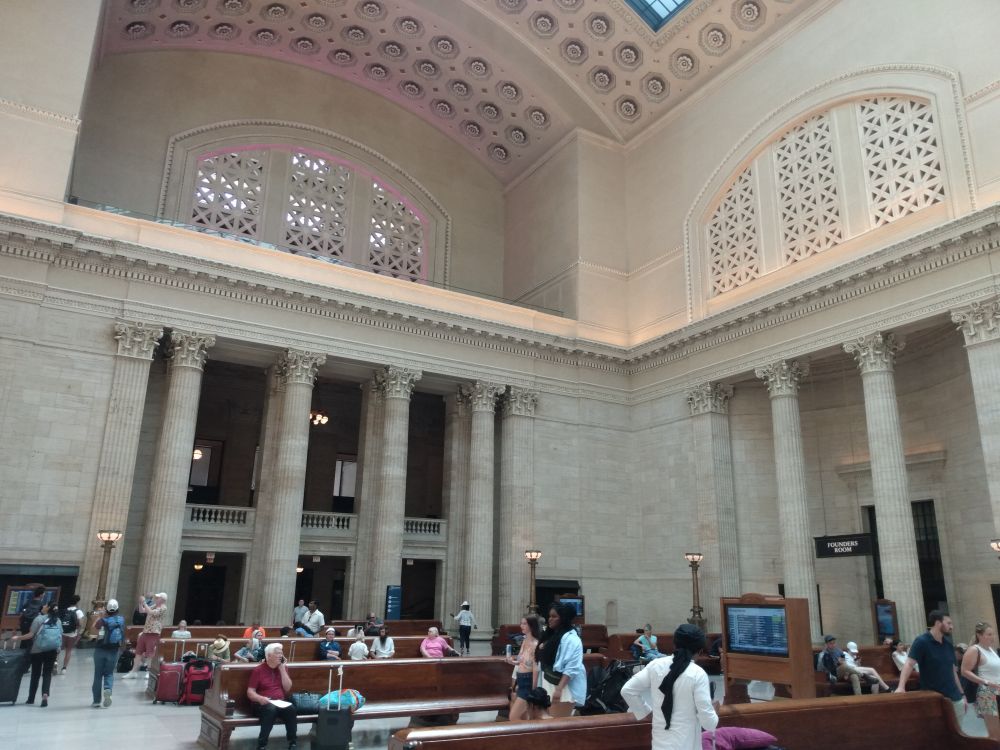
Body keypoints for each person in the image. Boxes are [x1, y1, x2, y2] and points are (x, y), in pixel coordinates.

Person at [621, 624, 719, 750]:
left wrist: (647, 712)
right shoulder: (697, 674)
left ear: (674, 645)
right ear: (699, 651)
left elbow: (627, 690)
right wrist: (714, 710)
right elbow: (709, 724)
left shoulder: (655, 665)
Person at [896, 609, 966, 721]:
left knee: (957, 733)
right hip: (933, 697)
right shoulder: (922, 641)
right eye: (948, 623)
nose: (951, 626)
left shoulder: (948, 644)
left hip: (954, 697)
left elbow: (952, 671)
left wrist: (962, 694)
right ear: (938, 623)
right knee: (937, 733)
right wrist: (901, 686)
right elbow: (909, 663)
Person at [536, 603, 586, 716]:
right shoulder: (551, 635)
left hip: (564, 686)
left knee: (556, 723)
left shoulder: (572, 639)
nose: (550, 619)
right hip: (548, 681)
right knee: (547, 720)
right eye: (549, 616)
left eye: (554, 617)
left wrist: (559, 689)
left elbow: (571, 668)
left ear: (563, 619)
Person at [246, 642, 297, 750]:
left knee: (291, 708)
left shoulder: (283, 668)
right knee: (270, 710)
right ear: (269, 656)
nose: (281, 656)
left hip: (279, 701)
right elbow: (250, 692)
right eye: (277, 653)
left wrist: (282, 670)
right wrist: (260, 698)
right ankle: (262, 745)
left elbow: (287, 688)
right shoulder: (258, 670)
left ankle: (293, 742)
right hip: (262, 703)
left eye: (281, 653)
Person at [12, 601, 62, 706]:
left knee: (35, 674)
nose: (43, 606)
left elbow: (31, 634)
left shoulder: (39, 619)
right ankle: (45, 695)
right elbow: (60, 636)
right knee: (47, 673)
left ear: (48, 608)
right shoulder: (58, 621)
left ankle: (31, 698)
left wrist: (18, 637)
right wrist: (58, 648)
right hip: (52, 650)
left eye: (45, 605)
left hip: (37, 650)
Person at [961, 621, 1000, 742]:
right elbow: (964, 671)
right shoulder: (974, 650)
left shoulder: (991, 650)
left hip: (997, 690)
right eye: (989, 634)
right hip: (987, 694)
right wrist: (985, 682)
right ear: (979, 635)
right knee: (995, 735)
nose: (992, 637)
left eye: (993, 634)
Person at [90, 598, 125, 708]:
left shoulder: (103, 621)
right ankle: (108, 689)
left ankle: (96, 701)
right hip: (114, 651)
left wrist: (100, 616)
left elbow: (93, 630)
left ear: (107, 609)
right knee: (109, 673)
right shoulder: (121, 620)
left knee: (98, 675)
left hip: (100, 649)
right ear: (117, 609)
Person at [506, 614, 542, 721]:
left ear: (532, 625)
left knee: (513, 716)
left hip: (528, 682)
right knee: (524, 716)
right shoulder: (525, 640)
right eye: (521, 623)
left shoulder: (535, 644)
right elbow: (521, 662)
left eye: (524, 624)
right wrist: (512, 662)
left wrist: (534, 689)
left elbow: (536, 668)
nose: (521, 626)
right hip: (521, 680)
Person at [124, 592, 167, 678]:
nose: (155, 599)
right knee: (138, 651)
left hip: (154, 632)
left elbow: (151, 612)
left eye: (157, 598)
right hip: (146, 631)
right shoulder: (155, 605)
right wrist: (140, 603)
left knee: (150, 653)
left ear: (162, 600)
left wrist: (144, 603)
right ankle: (133, 672)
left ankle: (149, 671)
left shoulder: (163, 608)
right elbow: (142, 611)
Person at [58, 593, 85, 674]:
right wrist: (78, 631)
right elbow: (80, 624)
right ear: (77, 602)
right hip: (72, 634)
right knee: (68, 650)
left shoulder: (65, 610)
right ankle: (64, 668)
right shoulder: (78, 611)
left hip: (62, 632)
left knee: (58, 649)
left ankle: (54, 664)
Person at [17, 586, 47, 651]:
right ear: (41, 594)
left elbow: (21, 615)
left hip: (24, 624)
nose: (44, 594)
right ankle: (28, 658)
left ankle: (20, 656)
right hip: (34, 626)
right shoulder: (42, 605)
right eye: (44, 593)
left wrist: (17, 626)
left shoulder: (28, 603)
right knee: (32, 643)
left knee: (24, 640)